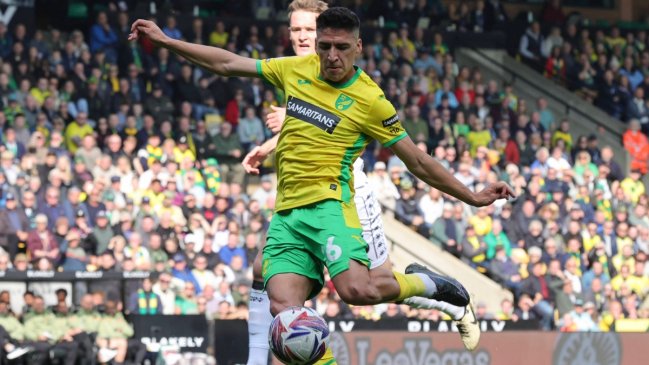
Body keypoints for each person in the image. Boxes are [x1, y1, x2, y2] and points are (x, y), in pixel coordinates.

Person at [130, 7, 512, 363]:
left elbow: (418, 161)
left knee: (359, 291)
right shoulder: (295, 69)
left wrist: (473, 197)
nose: (332, 56)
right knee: (285, 311)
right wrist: (167, 42)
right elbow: (228, 63)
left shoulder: (371, 100)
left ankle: (430, 286)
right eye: (325, 46)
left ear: (358, 47)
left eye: (342, 48)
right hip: (287, 214)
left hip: (331, 206)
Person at [245, 0, 479, 361]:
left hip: (347, 190)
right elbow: (311, 127)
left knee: (369, 287)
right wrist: (269, 145)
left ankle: (445, 297)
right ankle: (257, 359)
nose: (302, 37)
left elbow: (340, 125)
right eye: (296, 31)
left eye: (309, 30)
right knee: (269, 277)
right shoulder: (297, 70)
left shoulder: (355, 85)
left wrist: (472, 196)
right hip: (299, 198)